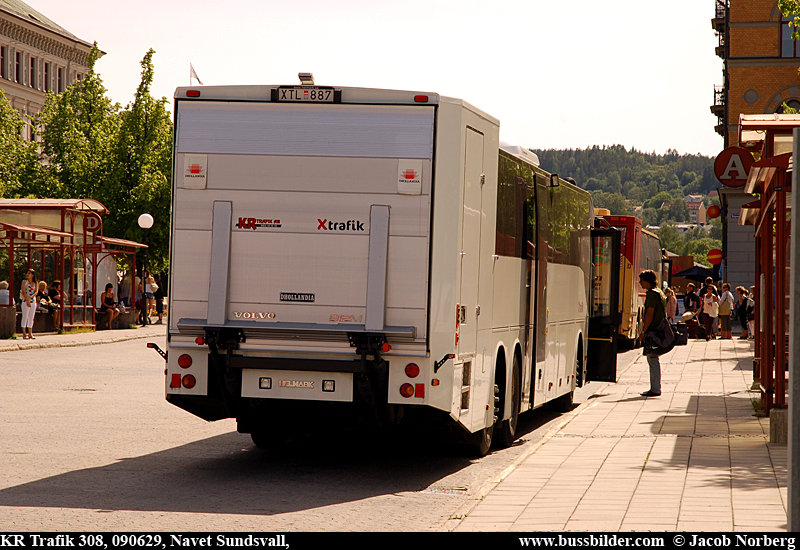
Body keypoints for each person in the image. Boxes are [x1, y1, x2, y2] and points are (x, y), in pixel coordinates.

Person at [638, 269, 666, 397]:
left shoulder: (651, 294)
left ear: (647, 281)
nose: (640, 283)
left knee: (652, 358)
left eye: (641, 280)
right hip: (659, 329)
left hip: (653, 330)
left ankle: (655, 388)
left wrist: (643, 331)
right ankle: (655, 387)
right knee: (653, 358)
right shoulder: (659, 292)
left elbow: (649, 314)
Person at [19, 269, 37, 340]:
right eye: (27, 273)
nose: (27, 274)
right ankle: (24, 333)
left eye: (29, 273)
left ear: (32, 275)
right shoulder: (24, 282)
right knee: (25, 316)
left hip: (33, 301)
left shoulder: (35, 283)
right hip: (25, 300)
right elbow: (23, 291)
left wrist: (31, 298)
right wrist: (27, 299)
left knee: (31, 317)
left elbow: (36, 292)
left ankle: (30, 333)